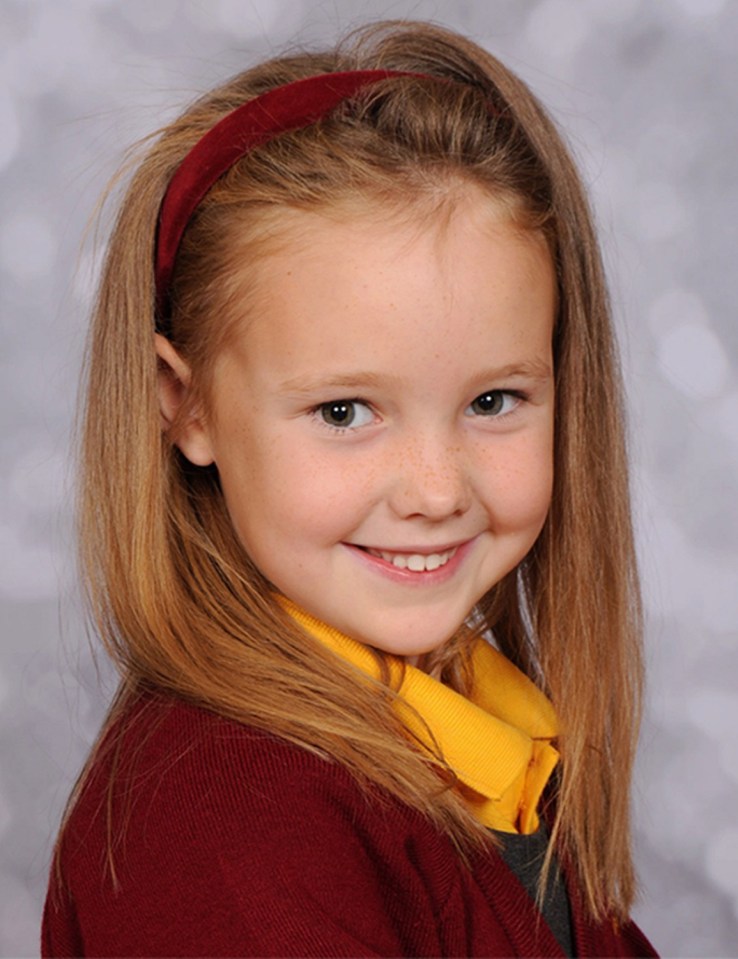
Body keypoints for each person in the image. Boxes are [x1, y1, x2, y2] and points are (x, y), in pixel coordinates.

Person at [42, 19, 657, 958]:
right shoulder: (220, 829)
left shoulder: (481, 730)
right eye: (343, 412)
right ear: (187, 405)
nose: (435, 490)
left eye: (494, 399)